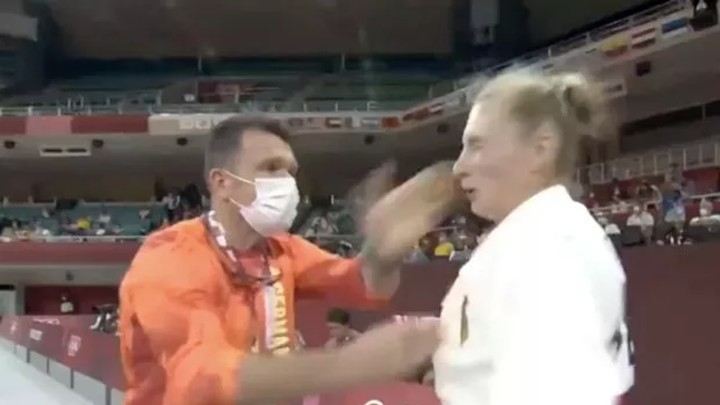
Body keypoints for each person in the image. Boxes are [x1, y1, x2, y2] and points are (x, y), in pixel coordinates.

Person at [119, 115, 462, 405]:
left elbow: (363, 286)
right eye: (270, 168)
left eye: (290, 171)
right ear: (222, 183)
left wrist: (383, 253)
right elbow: (202, 379)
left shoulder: (282, 249)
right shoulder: (169, 257)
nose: (285, 183)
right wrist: (352, 364)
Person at [434, 70, 634, 405]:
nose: (459, 167)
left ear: (540, 149)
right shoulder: (534, 238)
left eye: (476, 145)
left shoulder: (546, 251)